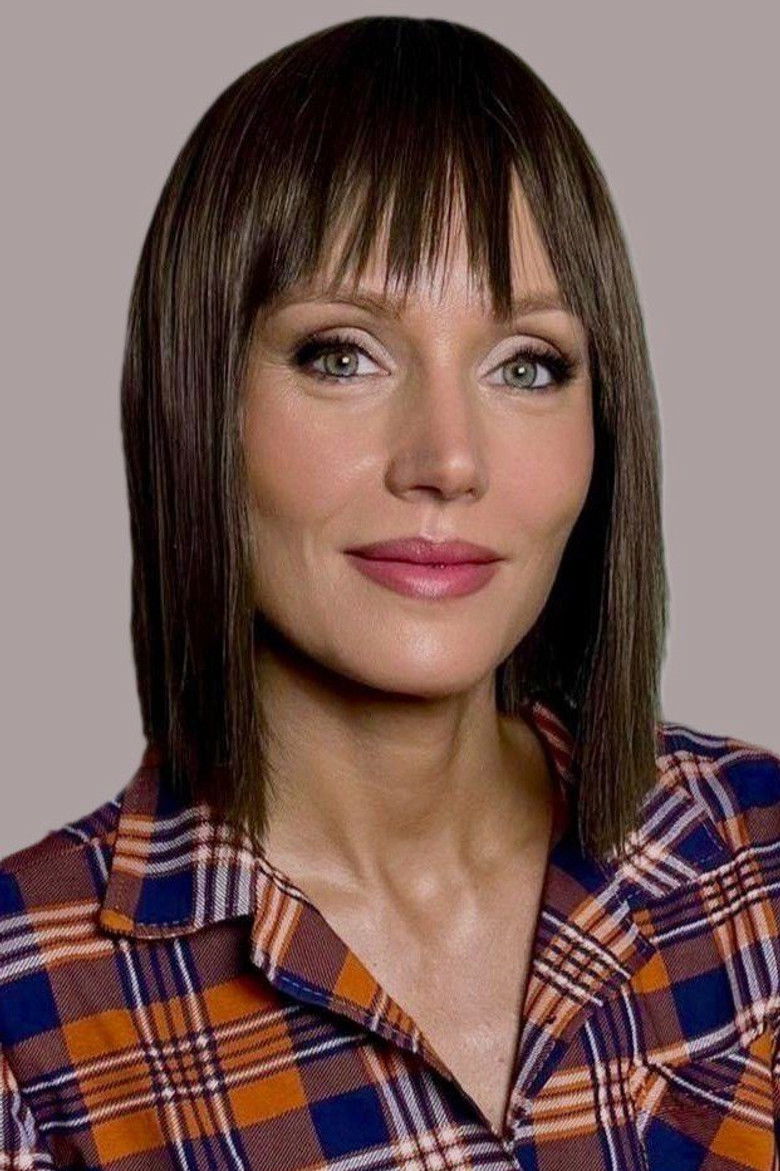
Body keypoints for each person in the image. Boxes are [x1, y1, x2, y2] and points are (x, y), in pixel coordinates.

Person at [1, 14, 777, 1170]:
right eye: (342, 355)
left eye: (527, 364)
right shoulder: (30, 1020)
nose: (448, 460)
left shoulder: (753, 856)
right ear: (199, 399)